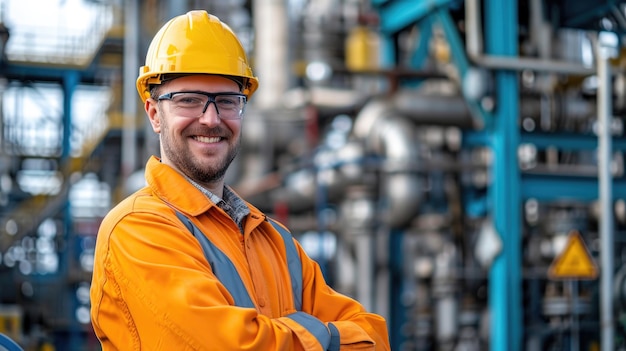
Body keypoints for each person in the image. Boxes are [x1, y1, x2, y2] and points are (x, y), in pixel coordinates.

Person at [89, 10, 391, 351]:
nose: (211, 118)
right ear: (155, 113)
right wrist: (325, 336)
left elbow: (375, 336)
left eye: (227, 101)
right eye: (189, 100)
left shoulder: (276, 242)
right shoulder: (137, 229)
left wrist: (278, 335)